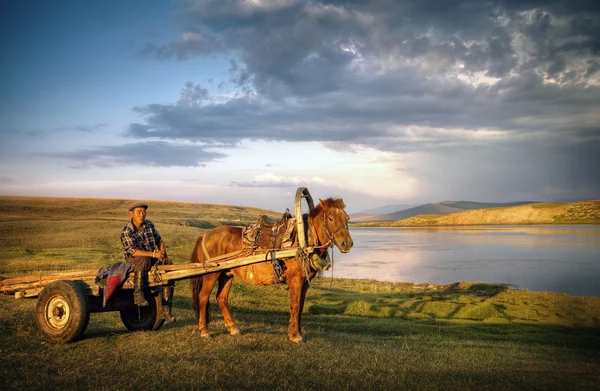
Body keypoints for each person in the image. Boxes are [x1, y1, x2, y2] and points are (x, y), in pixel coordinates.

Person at [120, 201, 176, 322]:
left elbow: (159, 240)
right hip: (134, 261)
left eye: (144, 212)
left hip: (151, 258)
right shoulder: (127, 231)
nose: (142, 215)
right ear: (131, 214)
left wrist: (163, 254)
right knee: (144, 260)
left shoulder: (149, 225)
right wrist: (153, 254)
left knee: (168, 265)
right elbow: (133, 251)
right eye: (138, 212)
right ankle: (138, 294)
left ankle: (166, 310)